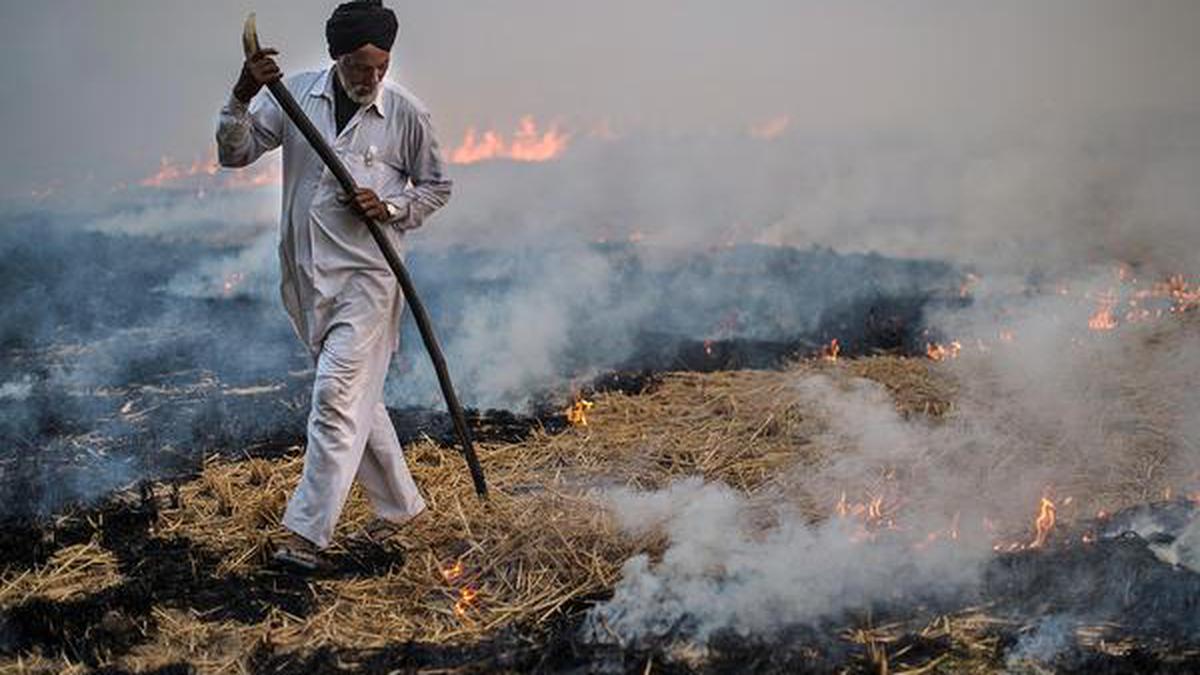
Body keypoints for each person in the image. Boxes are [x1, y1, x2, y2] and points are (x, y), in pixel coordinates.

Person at [215, 0, 451, 571]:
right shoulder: (295, 96)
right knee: (357, 403)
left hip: (370, 280)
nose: (371, 79)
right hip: (306, 278)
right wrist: (243, 94)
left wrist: (389, 205)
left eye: (381, 67)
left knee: (335, 400)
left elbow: (436, 187)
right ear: (335, 56)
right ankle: (402, 509)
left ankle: (305, 535)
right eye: (359, 67)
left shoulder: (406, 114)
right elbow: (235, 153)